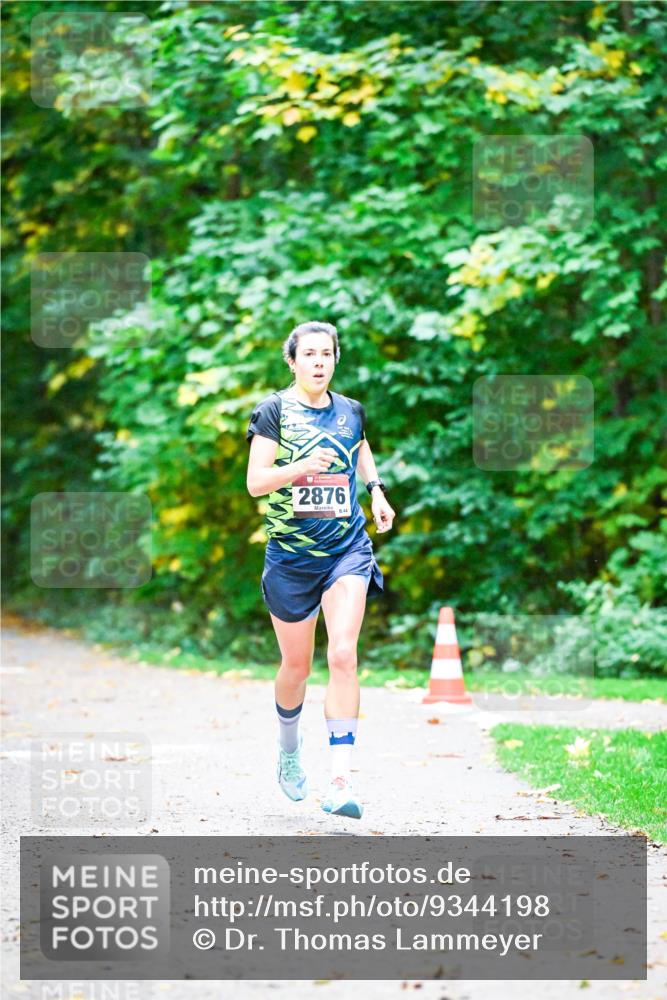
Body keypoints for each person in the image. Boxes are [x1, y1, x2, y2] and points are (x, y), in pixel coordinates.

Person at [246, 321, 395, 819]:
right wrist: (302, 466)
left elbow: (361, 445)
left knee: (345, 654)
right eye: (308, 354)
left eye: (326, 354)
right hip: (291, 558)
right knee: (297, 667)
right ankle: (289, 752)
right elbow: (256, 482)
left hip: (346, 548)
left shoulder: (350, 410)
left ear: (335, 360)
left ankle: (339, 780)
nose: (318, 362)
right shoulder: (274, 411)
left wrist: (375, 491)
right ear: (292, 361)